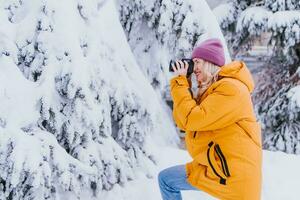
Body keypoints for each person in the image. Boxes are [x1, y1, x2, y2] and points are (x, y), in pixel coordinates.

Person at [158, 38, 262, 200]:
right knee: (167, 179)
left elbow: (191, 119)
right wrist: (183, 82)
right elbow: (183, 122)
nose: (194, 67)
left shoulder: (231, 89)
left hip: (234, 178)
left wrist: (180, 83)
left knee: (167, 180)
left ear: (210, 63)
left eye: (197, 62)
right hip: (215, 169)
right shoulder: (212, 91)